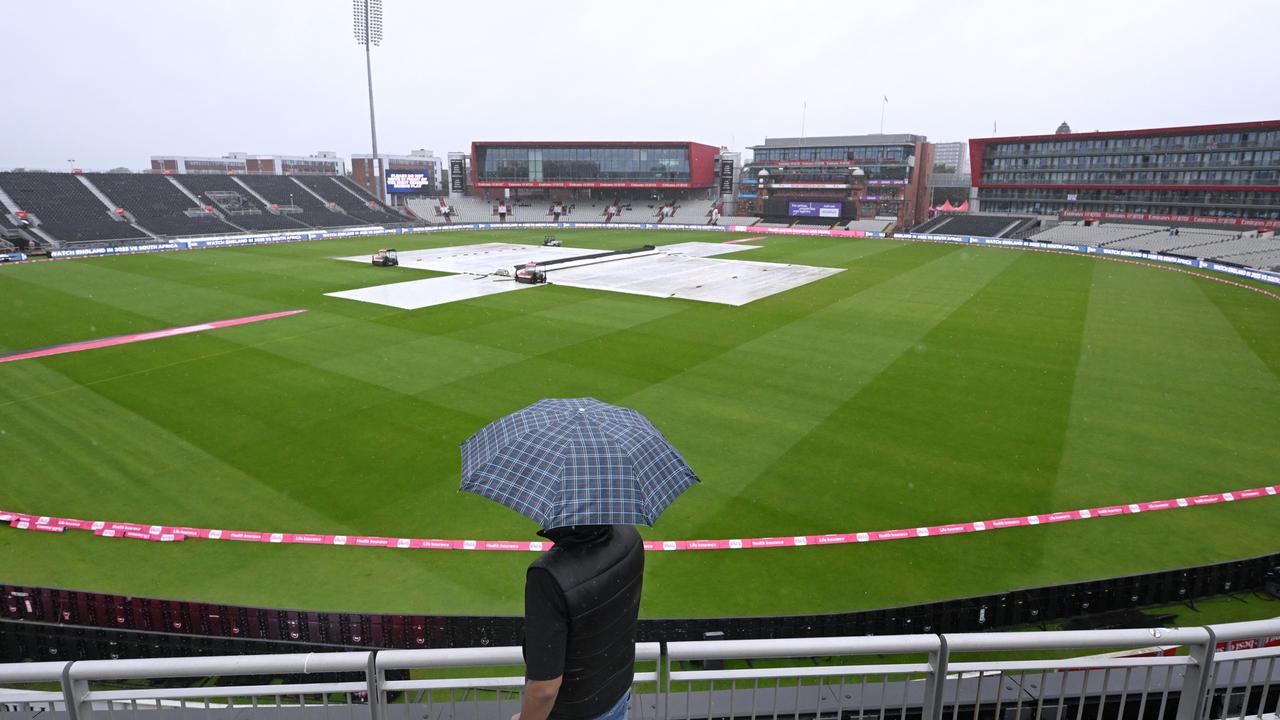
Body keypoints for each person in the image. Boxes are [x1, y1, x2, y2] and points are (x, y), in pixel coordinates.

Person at [516, 524, 643, 720]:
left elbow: (545, 689)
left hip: (574, 711)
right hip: (617, 694)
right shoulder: (630, 535)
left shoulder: (547, 576)